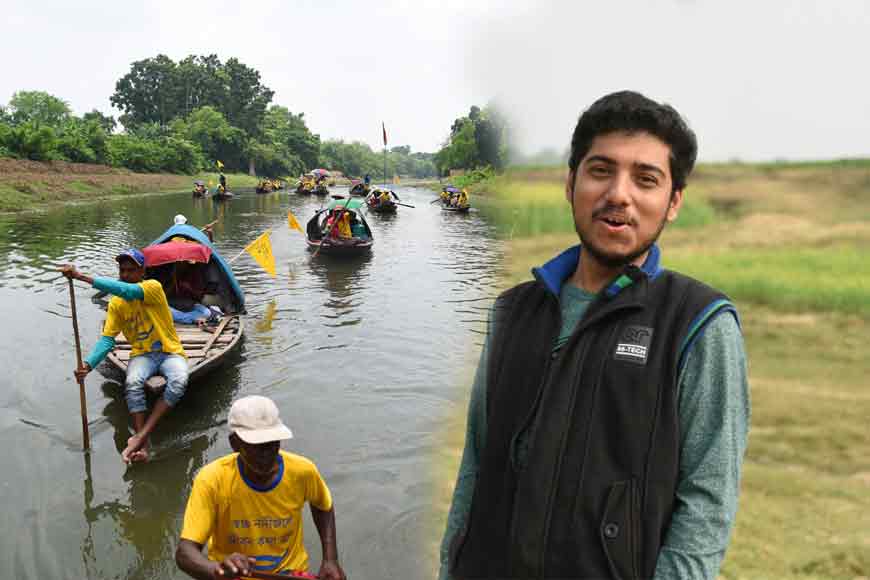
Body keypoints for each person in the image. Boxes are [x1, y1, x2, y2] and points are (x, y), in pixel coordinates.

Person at [439, 91, 750, 580]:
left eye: (646, 179)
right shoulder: (512, 311)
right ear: (571, 182)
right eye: (601, 170)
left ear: (673, 203)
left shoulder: (698, 323)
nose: (619, 195)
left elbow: (706, 507)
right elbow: (477, 463)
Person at [175, 395, 346, 580]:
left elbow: (323, 505)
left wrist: (330, 559)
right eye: (257, 446)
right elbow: (185, 554)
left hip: (289, 573)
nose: (267, 454)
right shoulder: (211, 480)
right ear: (235, 444)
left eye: (273, 443)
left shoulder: (303, 472)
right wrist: (217, 570)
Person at [60, 249, 189, 464]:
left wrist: (82, 277)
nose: (126, 274)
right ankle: (143, 447)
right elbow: (108, 339)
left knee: (179, 381)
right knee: (133, 383)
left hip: (169, 351)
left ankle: (140, 436)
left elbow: (128, 291)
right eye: (122, 270)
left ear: (142, 271)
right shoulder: (116, 304)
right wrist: (88, 364)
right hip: (142, 355)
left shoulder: (152, 287)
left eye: (132, 270)